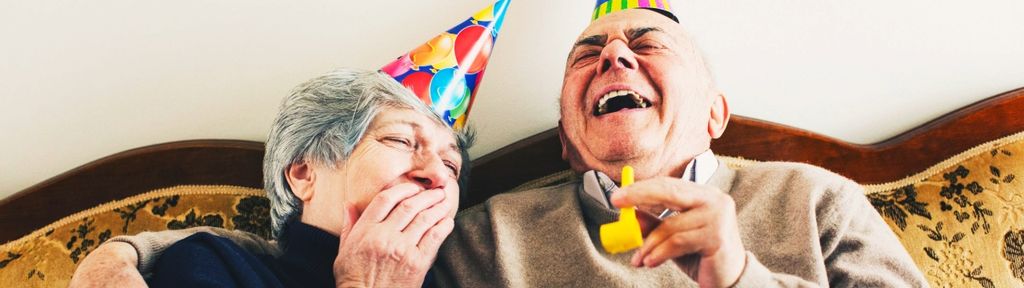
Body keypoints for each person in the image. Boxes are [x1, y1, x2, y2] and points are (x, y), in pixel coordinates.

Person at [73, 2, 929, 287]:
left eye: (646, 45)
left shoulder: (815, 200)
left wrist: (740, 275)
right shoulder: (483, 237)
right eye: (588, 54)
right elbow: (309, 250)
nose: (615, 57)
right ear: (566, 140)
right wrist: (121, 257)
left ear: (715, 114)